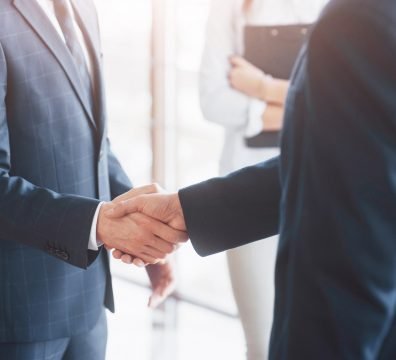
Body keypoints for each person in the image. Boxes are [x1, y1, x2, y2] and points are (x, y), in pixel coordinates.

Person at [109, 0, 396, 358]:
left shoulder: (359, 21)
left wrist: (260, 88)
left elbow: (349, 266)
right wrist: (190, 209)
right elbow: (345, 161)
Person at [0, 0, 186, 358]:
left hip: (87, 303)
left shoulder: (83, 6)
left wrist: (142, 227)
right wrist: (99, 224)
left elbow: (92, 141)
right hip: (20, 314)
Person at [200, 0, 326, 357]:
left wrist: (262, 87)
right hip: (243, 189)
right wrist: (308, 106)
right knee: (262, 341)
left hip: (323, 189)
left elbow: (351, 99)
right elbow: (214, 102)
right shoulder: (230, 8)